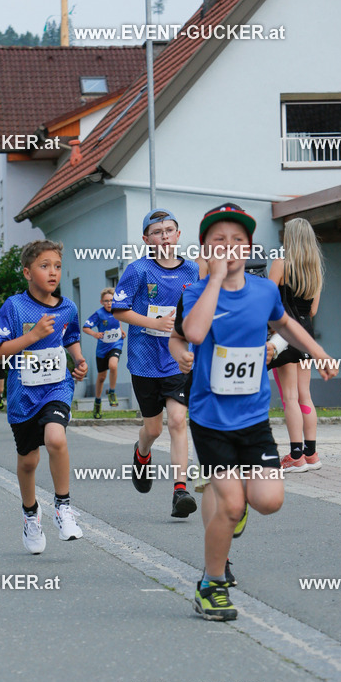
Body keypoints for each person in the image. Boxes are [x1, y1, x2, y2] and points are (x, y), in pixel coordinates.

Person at [169, 202, 338, 621]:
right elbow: (189, 333)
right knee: (229, 502)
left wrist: (317, 351)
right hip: (210, 418)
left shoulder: (264, 291)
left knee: (268, 500)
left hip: (252, 417)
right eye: (218, 241)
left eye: (237, 241)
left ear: (250, 248)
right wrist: (215, 282)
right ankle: (211, 585)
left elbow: (285, 324)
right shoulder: (193, 293)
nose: (229, 248)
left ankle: (232, 510)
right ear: (205, 249)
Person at [0, 239, 87, 553]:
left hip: (57, 386)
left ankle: (63, 507)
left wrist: (79, 359)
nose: (52, 272)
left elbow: (71, 337)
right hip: (23, 394)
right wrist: (32, 336)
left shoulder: (67, 307)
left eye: (57, 266)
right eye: (44, 266)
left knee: (56, 439)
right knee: (29, 462)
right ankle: (31, 514)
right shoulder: (14, 307)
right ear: (27, 272)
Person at [111, 208, 200, 518]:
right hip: (144, 359)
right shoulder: (138, 270)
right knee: (154, 428)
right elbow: (119, 310)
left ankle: (180, 490)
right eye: (157, 232)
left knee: (177, 420)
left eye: (169, 230)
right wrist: (154, 321)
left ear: (178, 235)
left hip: (178, 359)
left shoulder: (192, 271)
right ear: (147, 239)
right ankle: (142, 453)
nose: (164, 236)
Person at [268, 218, 324, 473]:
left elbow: (267, 299)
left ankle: (295, 456)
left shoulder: (281, 263)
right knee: (305, 396)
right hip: (307, 335)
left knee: (289, 397)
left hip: (285, 335)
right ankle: (311, 454)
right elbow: (312, 309)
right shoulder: (316, 269)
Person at [82, 288, 126, 418]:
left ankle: (112, 392)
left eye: (111, 301)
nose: (109, 303)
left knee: (113, 366)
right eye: (106, 301)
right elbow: (85, 327)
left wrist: (121, 331)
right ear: (101, 302)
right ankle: (97, 403)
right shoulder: (99, 314)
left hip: (116, 343)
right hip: (102, 349)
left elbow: (119, 321)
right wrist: (95, 334)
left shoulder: (117, 311)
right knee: (101, 377)